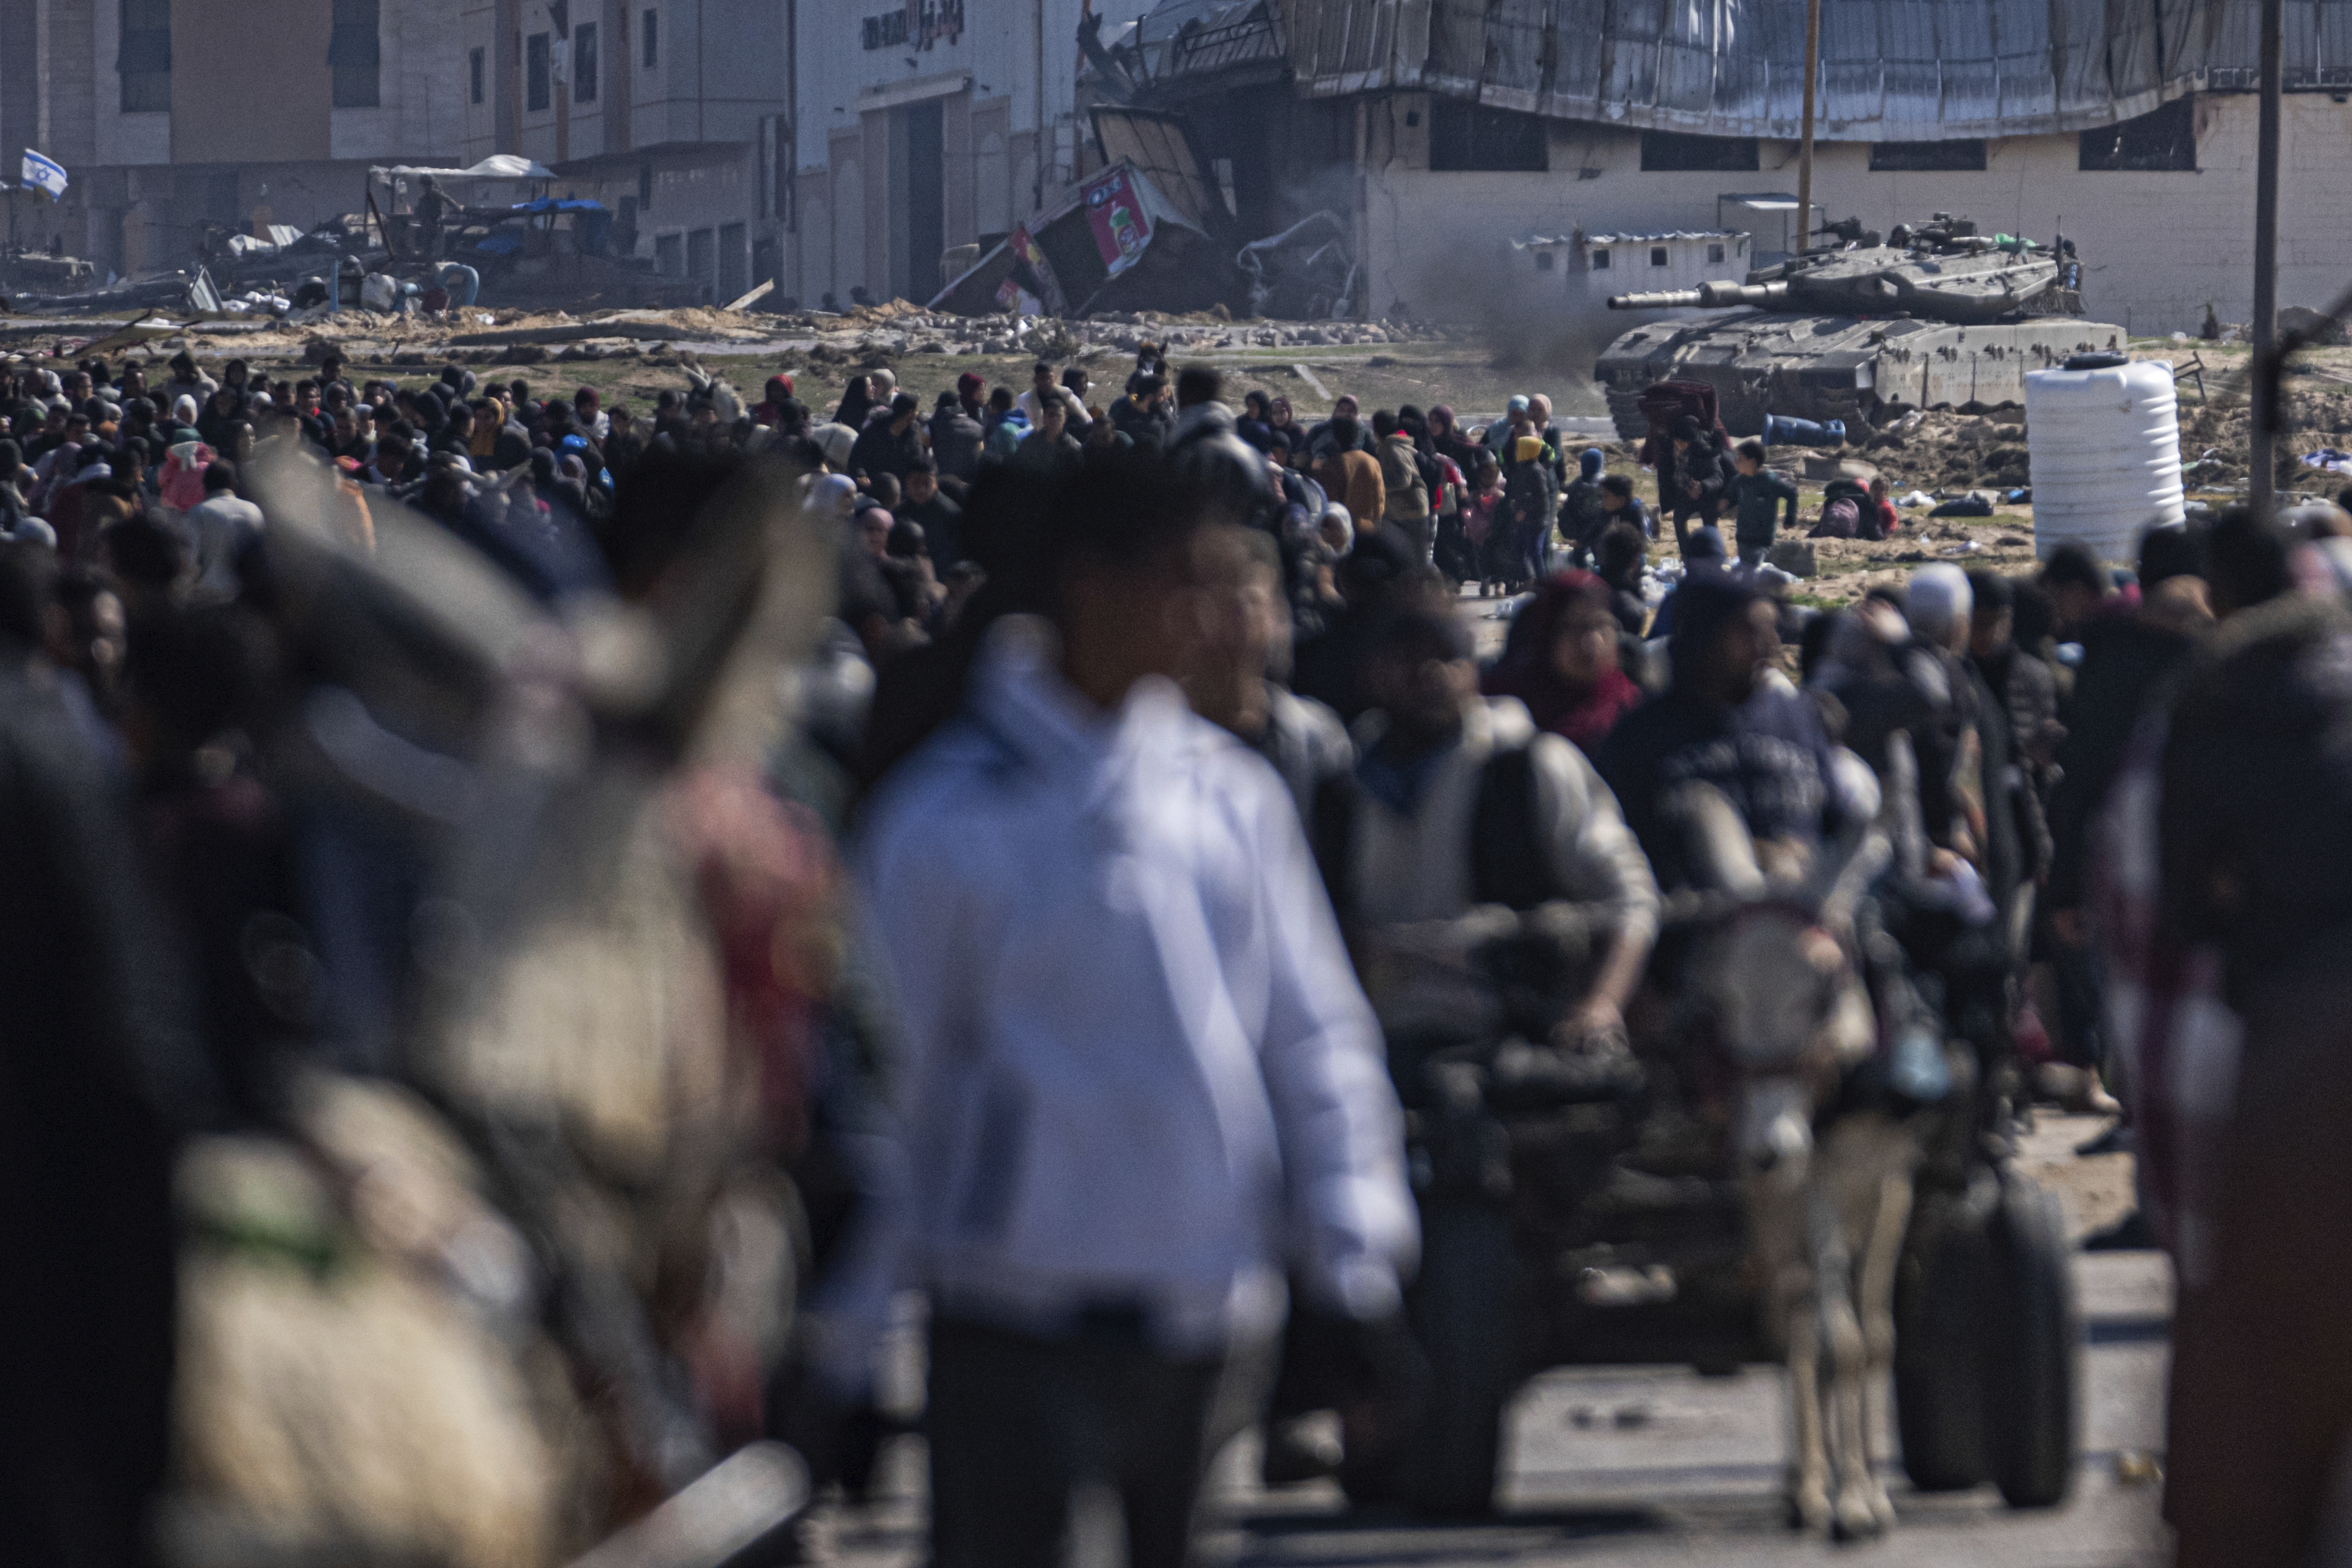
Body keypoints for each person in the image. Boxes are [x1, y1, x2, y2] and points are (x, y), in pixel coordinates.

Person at [833, 449, 1417, 1568]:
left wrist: (1354, 1266)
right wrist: (851, 1341)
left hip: (1207, 1309)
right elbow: (892, 1094)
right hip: (1009, 1309)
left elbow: (1316, 1043)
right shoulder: (949, 820)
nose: (1221, 620)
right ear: (1090, 588)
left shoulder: (1231, 801)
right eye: (1186, 584)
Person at [1322, 605, 1659, 1050]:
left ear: (1474, 673)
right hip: (1367, 1042)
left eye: (1449, 658)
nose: (1432, 674)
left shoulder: (1529, 767)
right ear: (1371, 674)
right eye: (1409, 659)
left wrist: (1600, 1005)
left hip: (1509, 1041)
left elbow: (1630, 896)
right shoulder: (1343, 786)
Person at [1598, 570, 1839, 889]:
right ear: (1705, 636)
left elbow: (1834, 821)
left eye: (1772, 629)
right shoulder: (1639, 737)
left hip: (1804, 910)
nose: (1770, 646)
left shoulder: (1794, 715)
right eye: (1748, 631)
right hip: (1697, 920)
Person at [1482, 571, 1646, 752]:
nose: (1593, 642)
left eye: (1601, 625)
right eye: (1576, 628)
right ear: (1546, 636)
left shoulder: (1632, 707)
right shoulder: (1502, 720)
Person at [1726, 439, 1799, 569]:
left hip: (1762, 538)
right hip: (1743, 536)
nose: (1736, 462)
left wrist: (1790, 518)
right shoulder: (1739, 481)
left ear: (1752, 462)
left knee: (1753, 570)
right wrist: (1724, 504)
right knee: (1745, 568)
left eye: (1741, 458)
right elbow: (1730, 498)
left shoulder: (1769, 481)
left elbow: (1791, 493)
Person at [1315, 415, 1384, 537]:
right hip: (1372, 531)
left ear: (1335, 437)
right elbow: (1381, 499)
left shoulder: (1333, 465)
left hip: (1343, 534)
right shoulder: (1372, 461)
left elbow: (1328, 504)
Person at [897, 458, 963, 571]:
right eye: (916, 482)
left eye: (927, 483)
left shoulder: (951, 514)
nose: (922, 488)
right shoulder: (899, 513)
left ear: (936, 484)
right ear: (907, 482)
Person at [848, 392, 926, 485]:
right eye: (916, 411)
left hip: (900, 490)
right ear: (909, 414)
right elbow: (856, 458)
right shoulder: (875, 430)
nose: (917, 414)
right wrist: (861, 476)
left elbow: (917, 461)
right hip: (874, 486)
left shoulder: (913, 434)